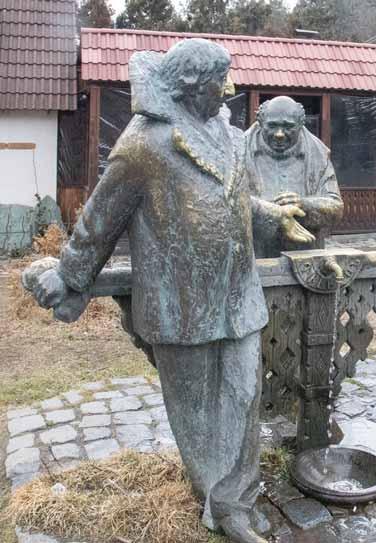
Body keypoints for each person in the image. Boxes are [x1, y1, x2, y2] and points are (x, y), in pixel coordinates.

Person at [32, 39, 313, 543]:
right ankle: (221, 504)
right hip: (180, 305)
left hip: (237, 296)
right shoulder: (145, 143)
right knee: (196, 414)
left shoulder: (225, 131)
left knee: (244, 397)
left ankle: (234, 500)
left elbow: (233, 197)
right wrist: (71, 275)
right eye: (220, 80)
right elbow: (101, 218)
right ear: (191, 86)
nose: (230, 87)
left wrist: (273, 215)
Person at [245, 96, 344, 258]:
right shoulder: (238, 150)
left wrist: (303, 205)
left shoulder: (317, 154)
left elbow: (336, 208)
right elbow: (227, 204)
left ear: (300, 125)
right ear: (261, 123)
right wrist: (270, 213)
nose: (279, 134)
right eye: (272, 126)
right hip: (254, 256)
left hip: (305, 257)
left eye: (288, 127)